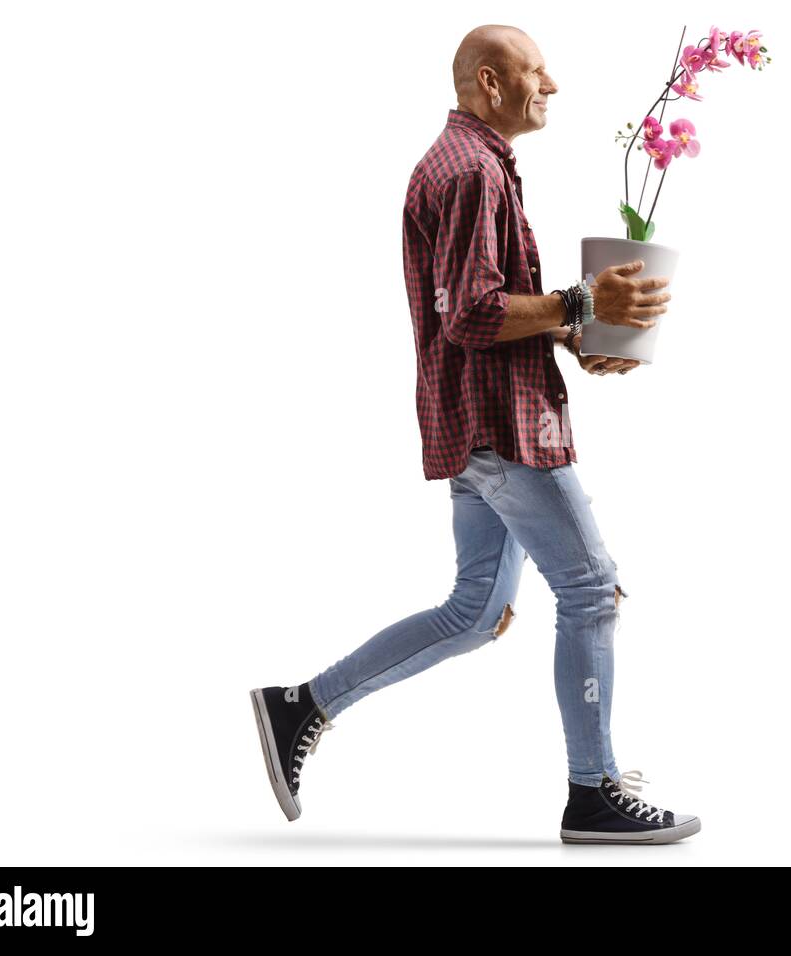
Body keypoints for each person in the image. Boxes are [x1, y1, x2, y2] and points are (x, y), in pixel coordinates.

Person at [250, 24, 699, 845]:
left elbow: (486, 308)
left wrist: (577, 335)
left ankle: (299, 708)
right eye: (537, 71)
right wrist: (579, 304)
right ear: (490, 83)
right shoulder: (467, 174)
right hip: (502, 430)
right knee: (591, 589)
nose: (553, 83)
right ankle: (592, 792)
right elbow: (473, 316)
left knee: (474, 611)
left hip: (485, 420)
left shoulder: (478, 165)